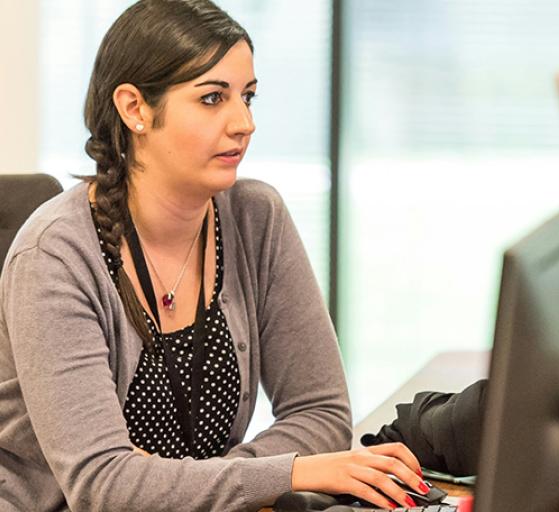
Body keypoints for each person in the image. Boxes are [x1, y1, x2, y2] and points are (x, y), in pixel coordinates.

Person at [0, 1, 428, 510]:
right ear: (135, 108)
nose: (243, 122)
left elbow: (322, 413)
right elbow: (104, 487)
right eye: (212, 99)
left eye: (247, 97)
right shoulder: (55, 256)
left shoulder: (254, 216)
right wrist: (290, 470)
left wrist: (179, 482)